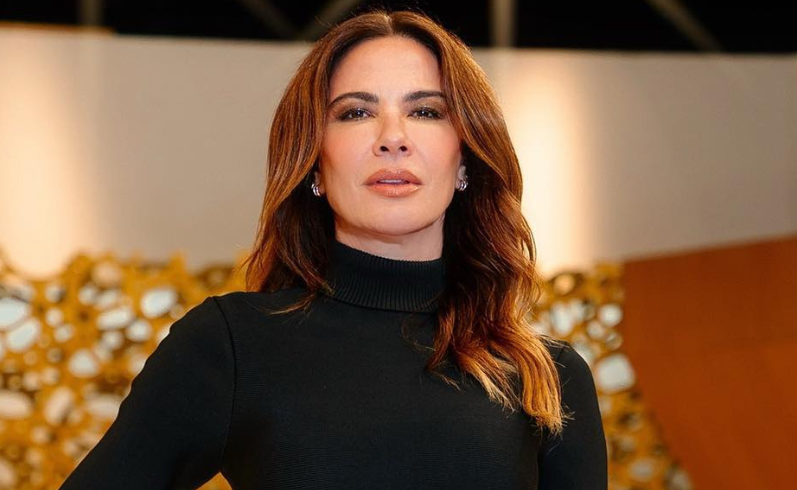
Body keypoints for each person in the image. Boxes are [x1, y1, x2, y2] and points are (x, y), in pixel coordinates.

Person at [59, 9, 607, 490]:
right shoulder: (231, 347)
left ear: (464, 158)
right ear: (314, 164)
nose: (392, 137)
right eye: (355, 113)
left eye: (425, 111)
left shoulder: (548, 377)